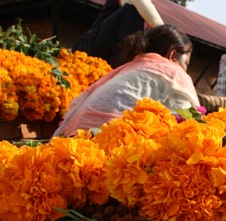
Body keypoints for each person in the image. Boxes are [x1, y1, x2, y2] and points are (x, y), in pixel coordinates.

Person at [54, 24, 199, 137]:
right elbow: (192, 124)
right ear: (173, 55)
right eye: (186, 63)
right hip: (98, 145)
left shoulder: (129, 69)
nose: (185, 70)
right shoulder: (174, 72)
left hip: (65, 142)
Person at [72, 0, 164, 69]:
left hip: (105, 58)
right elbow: (143, 6)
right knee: (132, 10)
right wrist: (167, 35)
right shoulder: (137, 6)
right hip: (90, 51)